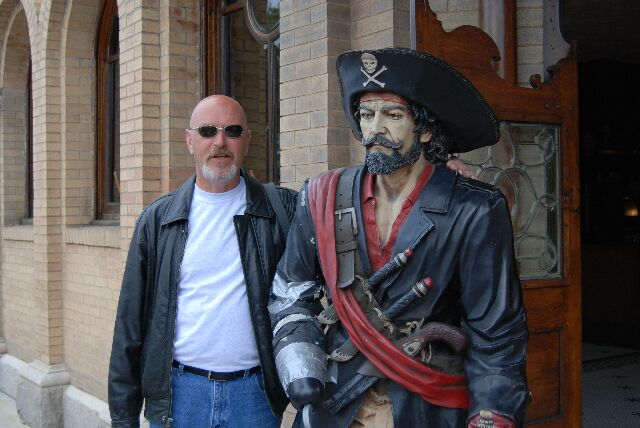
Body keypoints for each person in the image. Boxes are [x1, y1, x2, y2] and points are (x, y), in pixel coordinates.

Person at [269, 48, 530, 428]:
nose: (375, 129)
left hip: (428, 405)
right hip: (338, 402)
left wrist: (491, 414)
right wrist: (301, 363)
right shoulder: (321, 196)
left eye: (393, 115)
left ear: (424, 129)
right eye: (366, 115)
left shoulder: (474, 209)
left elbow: (496, 335)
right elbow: (291, 291)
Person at [108, 95, 294, 428]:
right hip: (179, 396)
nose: (220, 141)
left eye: (232, 131)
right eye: (208, 130)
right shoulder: (158, 221)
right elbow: (130, 324)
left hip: (255, 397)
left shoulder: (280, 212)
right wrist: (124, 419)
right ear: (190, 140)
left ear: (247, 140)